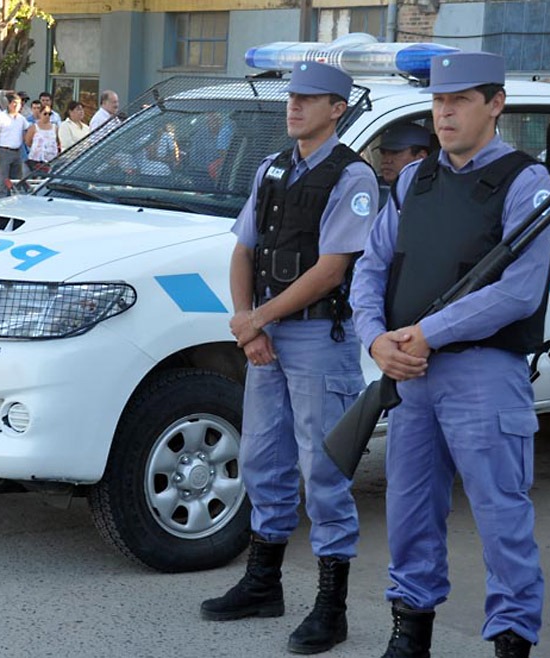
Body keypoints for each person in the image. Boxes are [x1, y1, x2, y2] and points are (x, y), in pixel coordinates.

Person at [349, 52, 550, 658]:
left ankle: (512, 640)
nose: (445, 113)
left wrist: (427, 332)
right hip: (410, 371)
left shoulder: (527, 182)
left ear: (496, 104)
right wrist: (375, 339)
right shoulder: (414, 179)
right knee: (410, 509)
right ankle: (410, 631)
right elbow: (372, 267)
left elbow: (518, 291)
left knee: (501, 517)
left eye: (460, 100)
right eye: (439, 101)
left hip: (483, 371)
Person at [199, 61, 377, 658]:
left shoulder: (352, 176)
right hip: (268, 335)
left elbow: (331, 270)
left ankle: (331, 608)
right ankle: (263, 584)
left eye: (309, 98)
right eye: (292, 96)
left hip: (318, 338)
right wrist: (247, 321)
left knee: (324, 469)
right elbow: (243, 249)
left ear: (337, 109)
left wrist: (258, 320)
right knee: (262, 460)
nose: (294, 106)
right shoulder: (272, 166)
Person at [375, 122, 432, 211]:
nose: (387, 160)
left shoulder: (432, 194)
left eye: (395, 153)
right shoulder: (373, 187)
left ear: (421, 157)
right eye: (383, 153)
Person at [0, 92, 29, 196]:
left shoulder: (21, 118)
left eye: (18, 103)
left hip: (17, 151)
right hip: (4, 151)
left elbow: (28, 130)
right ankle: (1, 201)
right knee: (3, 181)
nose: (16, 105)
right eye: (14, 103)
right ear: (9, 103)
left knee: (16, 181)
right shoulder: (1, 117)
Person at [25, 102, 59, 174]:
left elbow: (57, 141)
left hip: (51, 159)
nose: (47, 116)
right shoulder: (34, 127)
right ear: (40, 114)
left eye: (49, 114)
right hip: (36, 160)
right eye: (45, 114)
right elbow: (28, 141)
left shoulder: (55, 127)